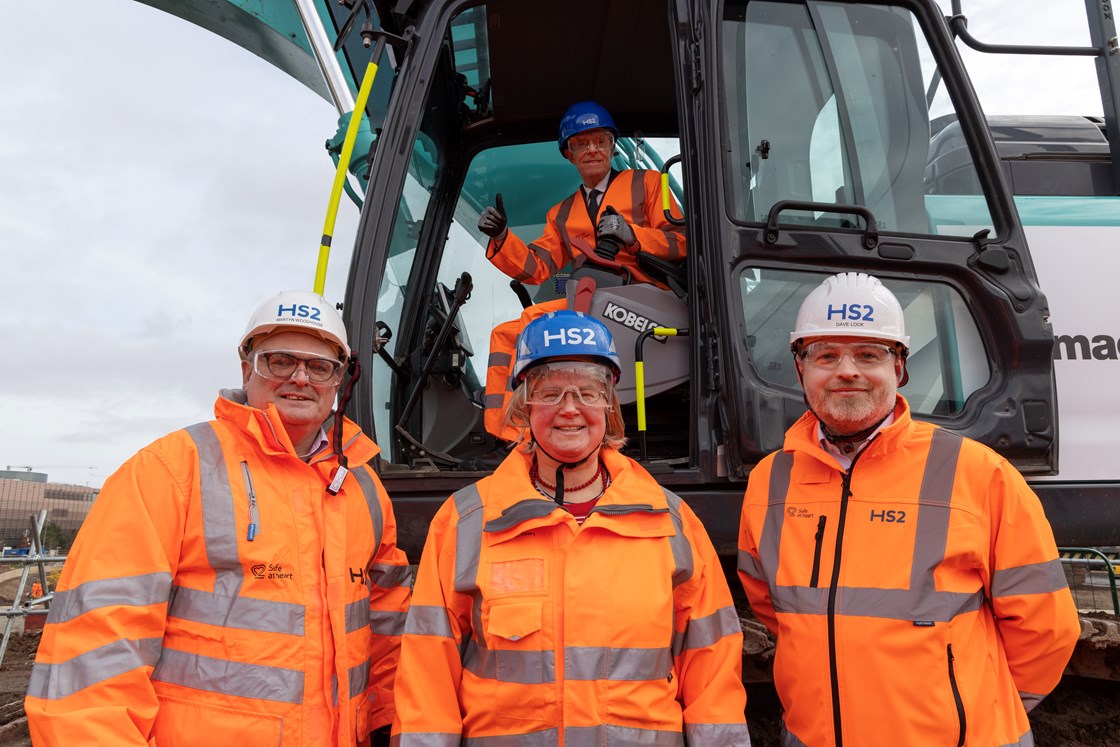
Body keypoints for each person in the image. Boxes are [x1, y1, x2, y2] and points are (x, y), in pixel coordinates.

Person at [25, 291, 412, 747]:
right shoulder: (171, 471)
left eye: (319, 366)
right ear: (247, 369)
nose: (300, 378)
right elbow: (94, 658)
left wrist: (390, 726)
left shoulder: (362, 489)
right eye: (280, 361)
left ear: (339, 381)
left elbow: (387, 630)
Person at [736, 272, 1080, 747]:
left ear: (899, 367)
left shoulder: (977, 473)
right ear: (800, 368)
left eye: (868, 355)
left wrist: (980, 708)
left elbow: (1046, 627)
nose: (847, 370)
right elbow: (777, 612)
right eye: (826, 354)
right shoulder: (770, 482)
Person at [393, 310, 751, 746]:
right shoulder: (466, 521)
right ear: (524, 408)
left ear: (608, 406)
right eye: (550, 393)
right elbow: (427, 673)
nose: (569, 409)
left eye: (587, 392)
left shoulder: (670, 523)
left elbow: (712, 677)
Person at [477, 101, 687, 440]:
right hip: (593, 302)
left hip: (646, 298)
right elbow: (536, 267)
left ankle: (518, 435)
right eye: (581, 143)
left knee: (529, 324)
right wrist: (502, 236)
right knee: (503, 333)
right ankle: (508, 431)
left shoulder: (647, 183)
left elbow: (681, 241)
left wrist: (633, 236)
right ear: (568, 153)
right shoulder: (560, 213)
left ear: (611, 145)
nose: (592, 149)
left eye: (600, 141)